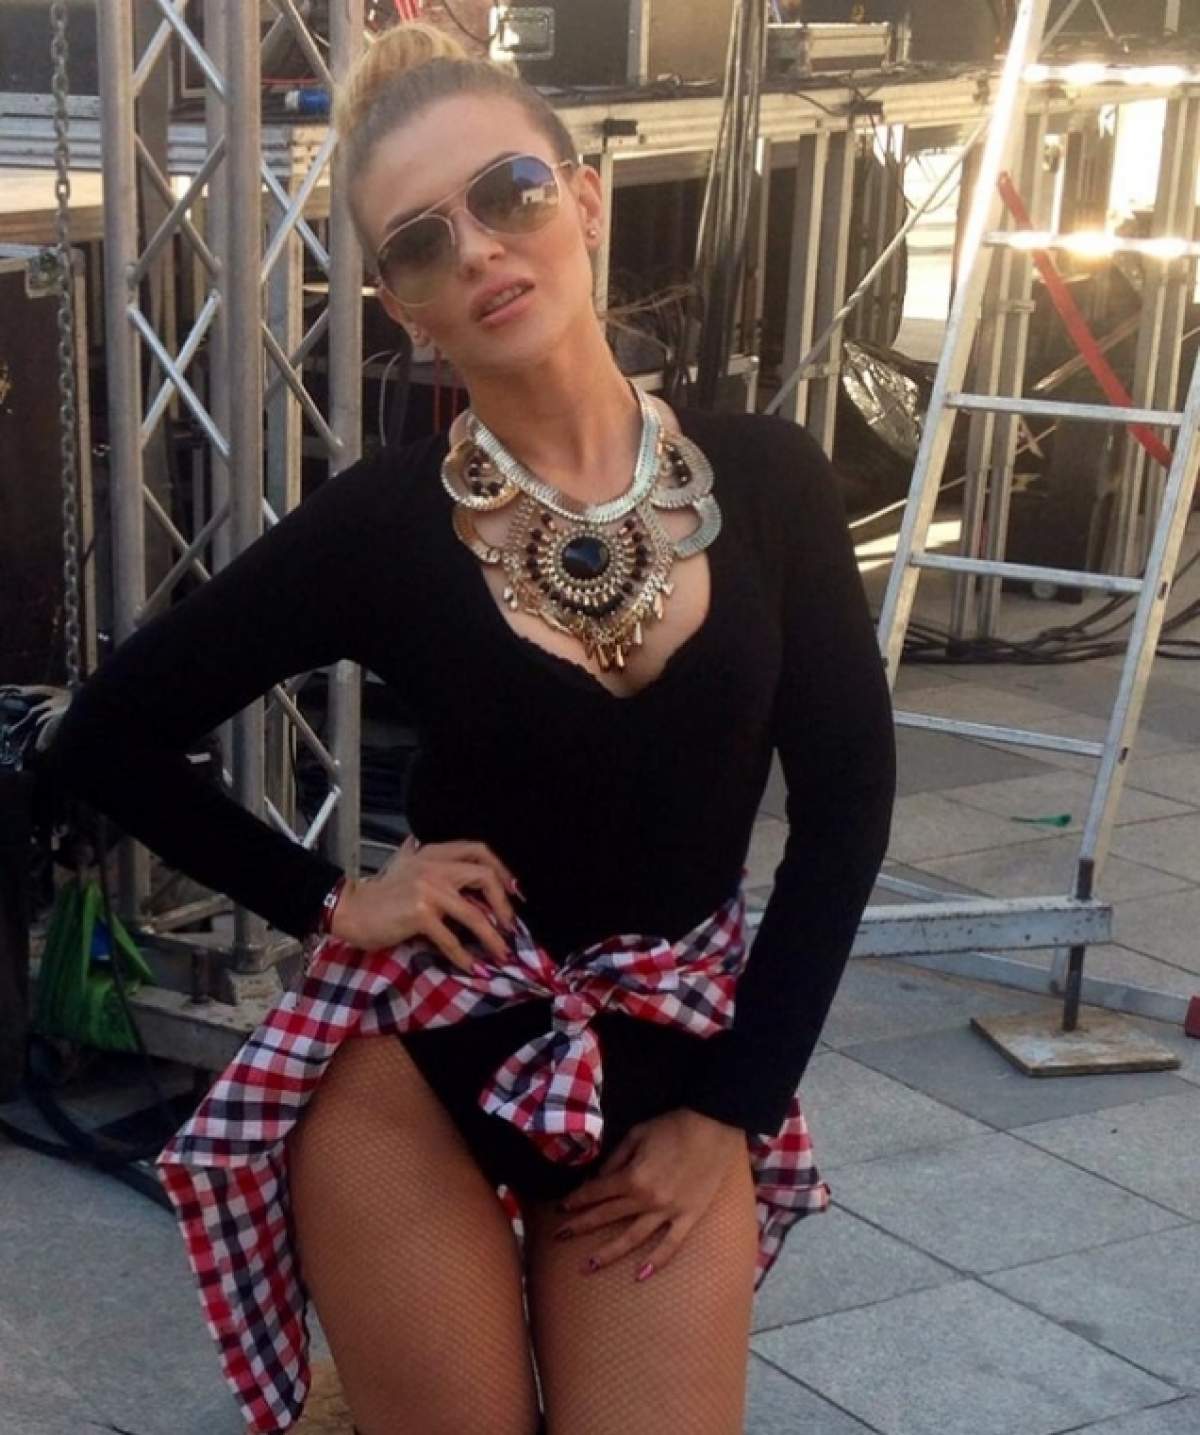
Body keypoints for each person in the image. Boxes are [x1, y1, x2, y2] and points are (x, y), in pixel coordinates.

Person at [47, 22, 895, 1435]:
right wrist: (335, 900)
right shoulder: (381, 525)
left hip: (669, 1059)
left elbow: (850, 805)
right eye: (423, 243)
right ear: (402, 305)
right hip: (421, 1058)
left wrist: (732, 1112)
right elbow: (105, 736)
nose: (483, 251)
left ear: (586, 199)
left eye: (511, 192)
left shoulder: (770, 478)